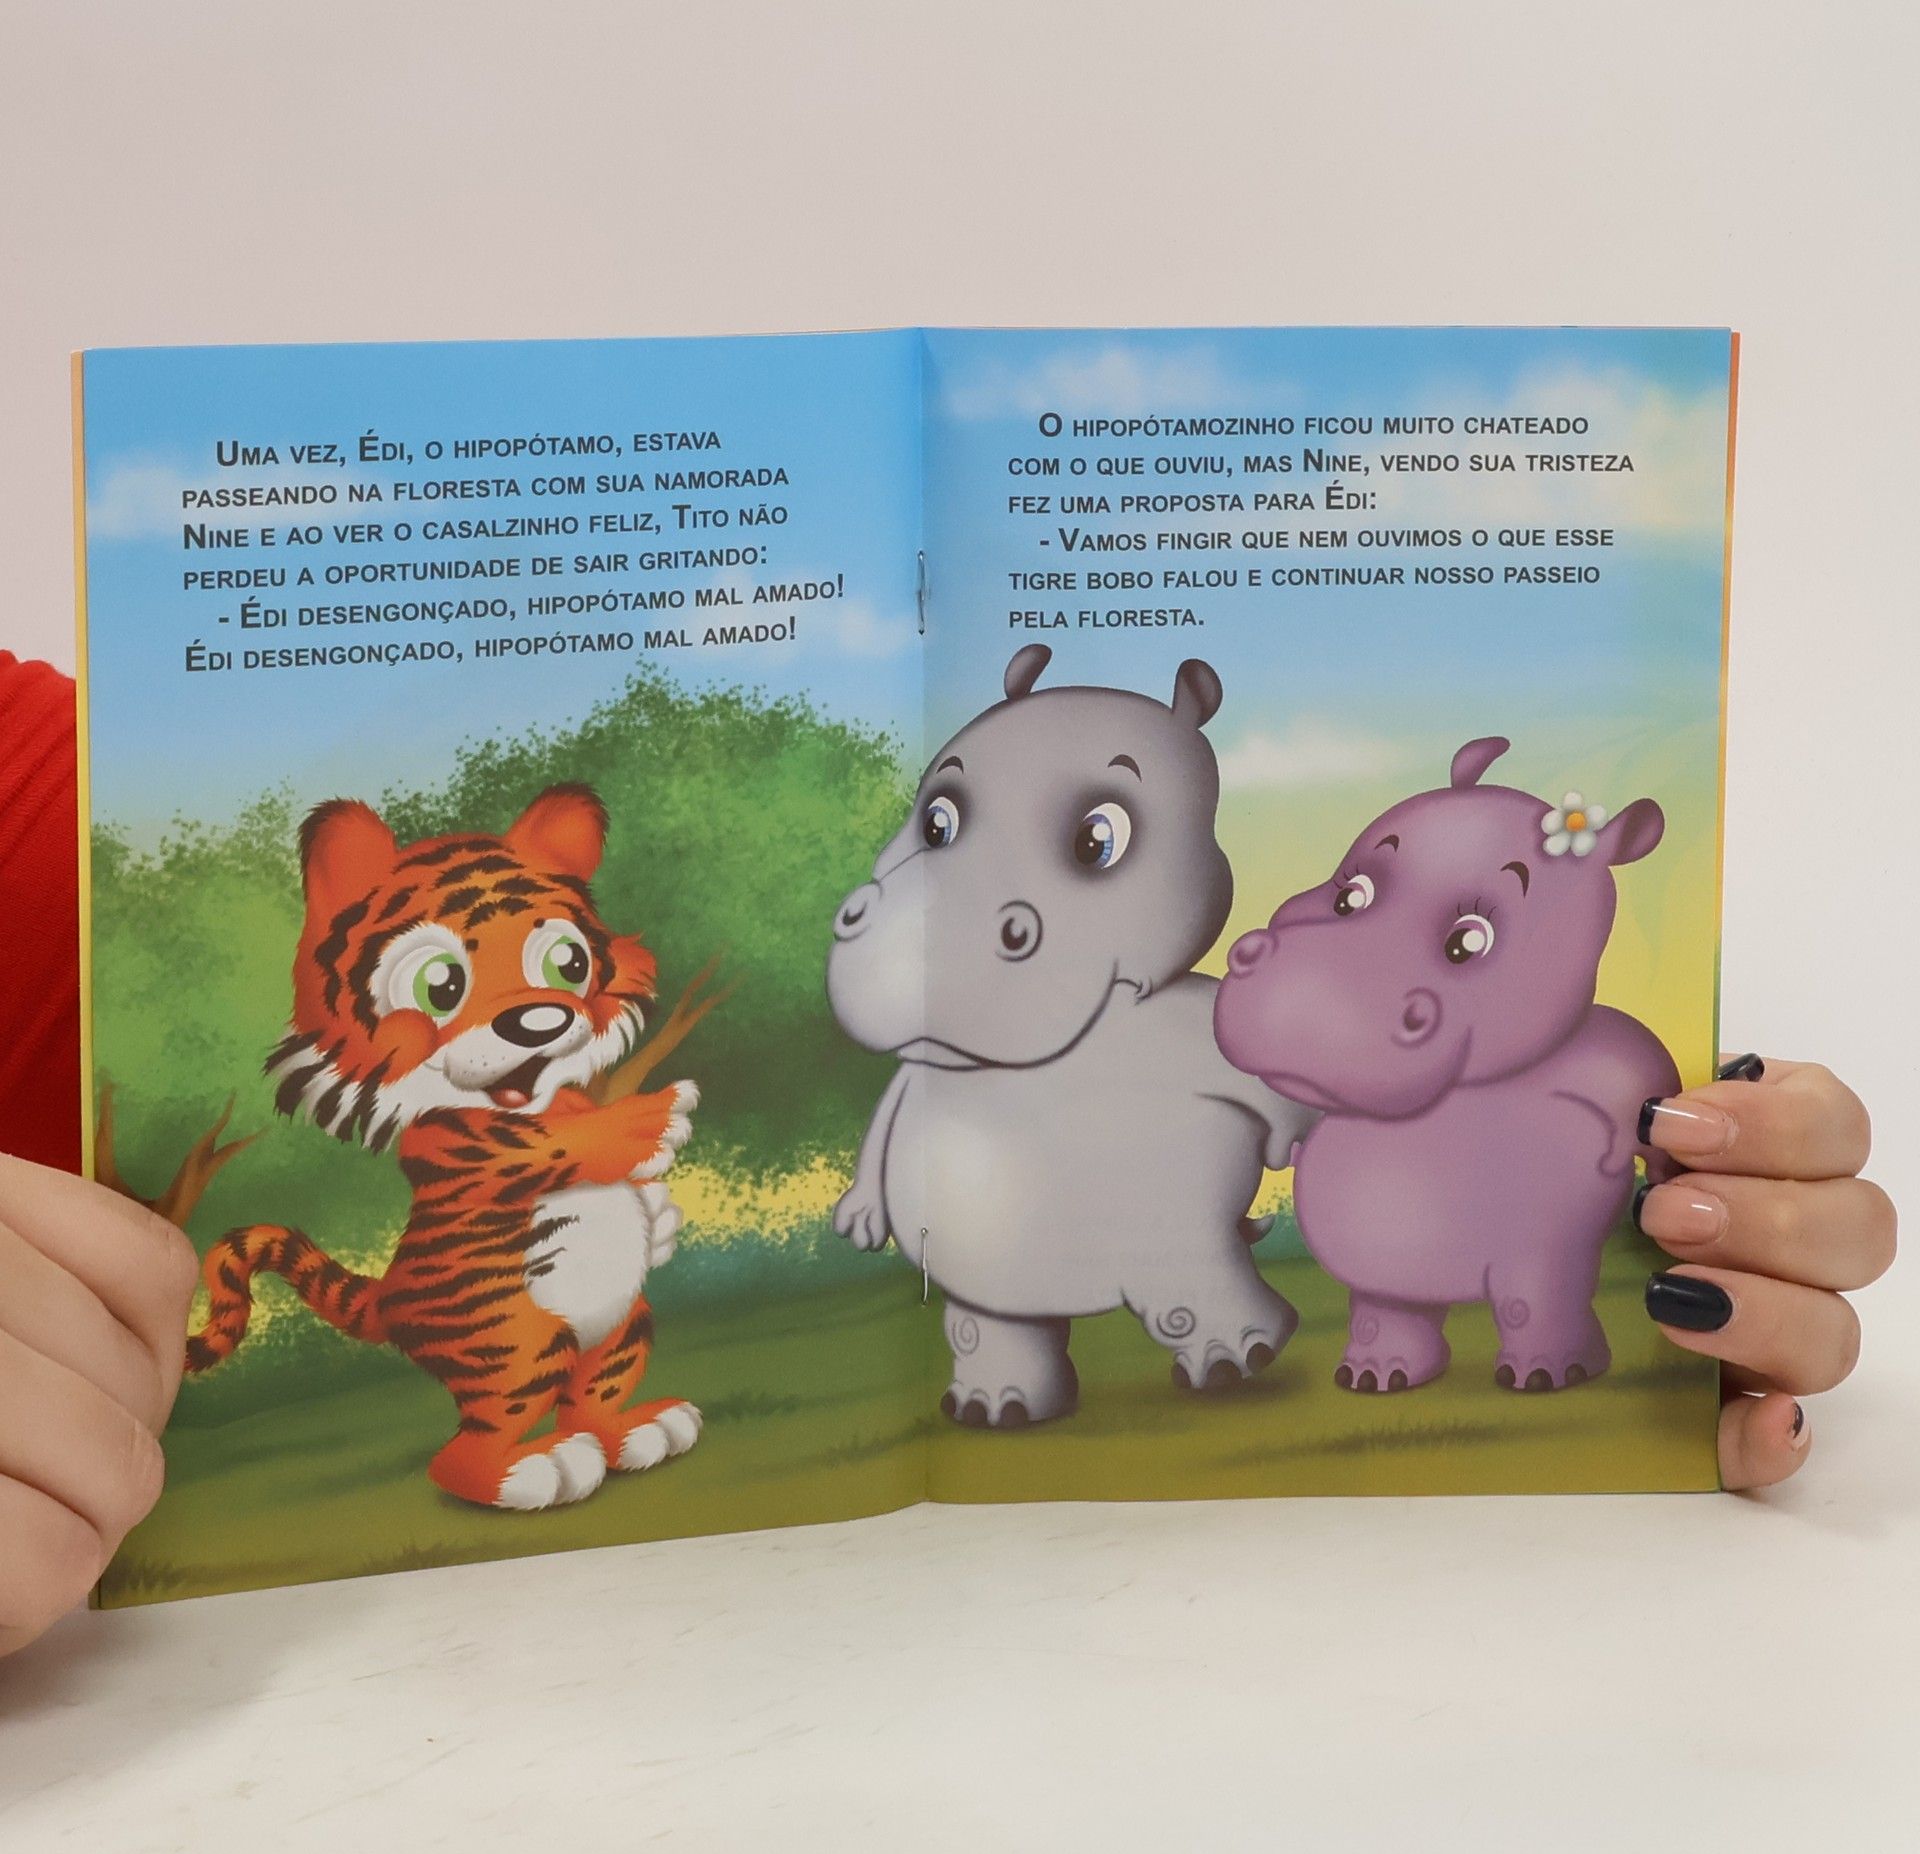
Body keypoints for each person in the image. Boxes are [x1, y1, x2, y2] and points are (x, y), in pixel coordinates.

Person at [0, 650, 1897, 1657]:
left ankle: (1193, 1315)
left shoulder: (44, 803)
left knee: (1188, 1267)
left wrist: (1638, 1168)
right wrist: (872, 1172)